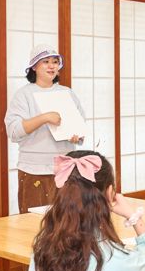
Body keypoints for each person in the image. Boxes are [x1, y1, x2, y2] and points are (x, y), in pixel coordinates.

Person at [5, 44, 85, 213]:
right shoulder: (23, 95)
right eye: (46, 62)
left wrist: (76, 136)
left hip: (66, 169)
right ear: (34, 66)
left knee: (66, 223)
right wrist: (44, 118)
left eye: (55, 62)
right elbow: (13, 131)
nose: (51, 66)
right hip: (33, 170)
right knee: (34, 225)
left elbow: (80, 127)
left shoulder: (67, 93)